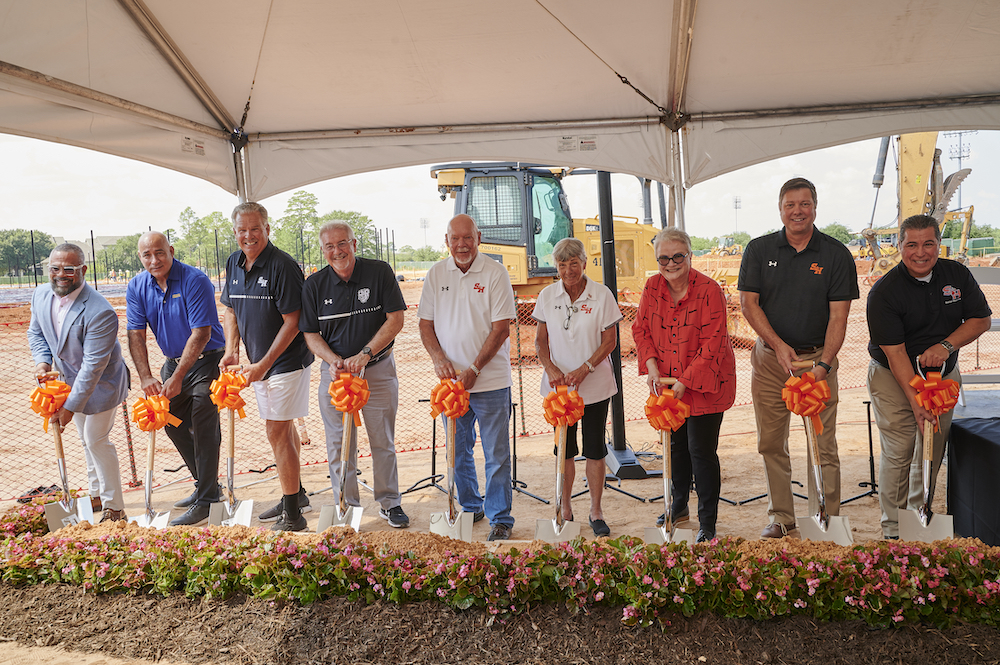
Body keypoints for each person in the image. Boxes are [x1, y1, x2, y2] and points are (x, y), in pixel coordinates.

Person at [738, 177, 859, 539]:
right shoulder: (758, 250)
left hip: (817, 363)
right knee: (771, 442)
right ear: (780, 209)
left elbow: (839, 317)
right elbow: (748, 304)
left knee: (823, 443)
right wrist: (776, 345)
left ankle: (825, 517)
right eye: (790, 205)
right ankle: (782, 518)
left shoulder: (836, 254)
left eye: (804, 204)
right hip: (771, 362)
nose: (797, 211)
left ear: (815, 208)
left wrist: (823, 365)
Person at [866, 214, 992, 539]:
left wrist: (946, 345)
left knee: (932, 446)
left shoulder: (957, 275)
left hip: (942, 376)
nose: (920, 252)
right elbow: (895, 354)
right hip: (893, 375)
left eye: (928, 244)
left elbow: (981, 320)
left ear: (939, 245)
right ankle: (893, 529)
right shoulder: (884, 292)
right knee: (900, 449)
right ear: (900, 246)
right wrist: (916, 400)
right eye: (911, 244)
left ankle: (919, 516)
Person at [300, 221, 410, 528]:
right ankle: (346, 506)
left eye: (343, 244)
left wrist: (366, 354)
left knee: (382, 441)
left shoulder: (379, 272)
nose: (338, 252)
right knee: (338, 445)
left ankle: (390, 503)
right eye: (330, 247)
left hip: (376, 370)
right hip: (335, 377)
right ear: (323, 251)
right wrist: (333, 360)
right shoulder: (314, 285)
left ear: (354, 244)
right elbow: (310, 334)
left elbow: (396, 319)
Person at [633, 228, 737, 543]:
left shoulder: (709, 290)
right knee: (675, 448)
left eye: (678, 256)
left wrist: (685, 381)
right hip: (667, 382)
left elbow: (713, 342)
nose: (671, 263)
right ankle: (678, 507)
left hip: (705, 381)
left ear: (689, 255)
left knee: (700, 450)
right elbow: (641, 331)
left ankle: (708, 521)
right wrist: (652, 368)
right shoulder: (652, 287)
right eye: (664, 258)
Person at [418, 214, 517, 541]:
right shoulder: (435, 274)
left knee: (496, 454)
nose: (461, 244)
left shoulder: (495, 272)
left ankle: (500, 517)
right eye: (455, 238)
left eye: (467, 238)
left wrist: (474, 369)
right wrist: (438, 358)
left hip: (490, 383)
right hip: (451, 390)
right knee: (457, 453)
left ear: (478, 237)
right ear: (446, 241)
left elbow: (501, 328)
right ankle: (471, 507)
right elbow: (425, 325)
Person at [220, 202, 314, 532]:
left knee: (275, 430)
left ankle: (293, 515)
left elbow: (293, 322)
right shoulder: (233, 262)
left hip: (286, 362)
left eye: (255, 229)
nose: (249, 236)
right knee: (284, 430)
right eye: (242, 230)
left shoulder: (283, 266)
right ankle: (296, 494)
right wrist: (233, 351)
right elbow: (230, 309)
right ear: (235, 232)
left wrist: (262, 365)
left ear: (267, 229)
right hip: (258, 363)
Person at [126, 231, 226, 527]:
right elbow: (135, 334)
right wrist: (146, 377)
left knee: (203, 417)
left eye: (159, 252)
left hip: (206, 359)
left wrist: (180, 376)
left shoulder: (195, 280)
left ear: (171, 250)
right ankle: (205, 483)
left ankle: (208, 500)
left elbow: (202, 333)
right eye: (147, 255)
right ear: (140, 257)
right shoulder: (137, 285)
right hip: (172, 363)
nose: (154, 260)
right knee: (169, 419)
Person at [27, 243, 130, 522]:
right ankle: (95, 493)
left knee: (96, 440)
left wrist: (70, 408)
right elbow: (36, 334)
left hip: (102, 384)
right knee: (85, 441)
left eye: (69, 269)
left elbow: (93, 367)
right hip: (69, 383)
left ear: (83, 270)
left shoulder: (100, 311)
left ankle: (115, 507)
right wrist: (43, 363)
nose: (61, 274)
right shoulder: (40, 295)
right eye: (55, 269)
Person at [533, 238, 621, 537]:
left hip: (594, 387)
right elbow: (540, 342)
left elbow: (610, 341)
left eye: (573, 263)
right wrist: (551, 369)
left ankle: (596, 510)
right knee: (564, 450)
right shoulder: (547, 295)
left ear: (584, 263)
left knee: (595, 449)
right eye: (561, 264)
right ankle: (565, 507)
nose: (568, 269)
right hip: (559, 392)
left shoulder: (602, 295)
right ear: (555, 266)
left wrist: (586, 368)